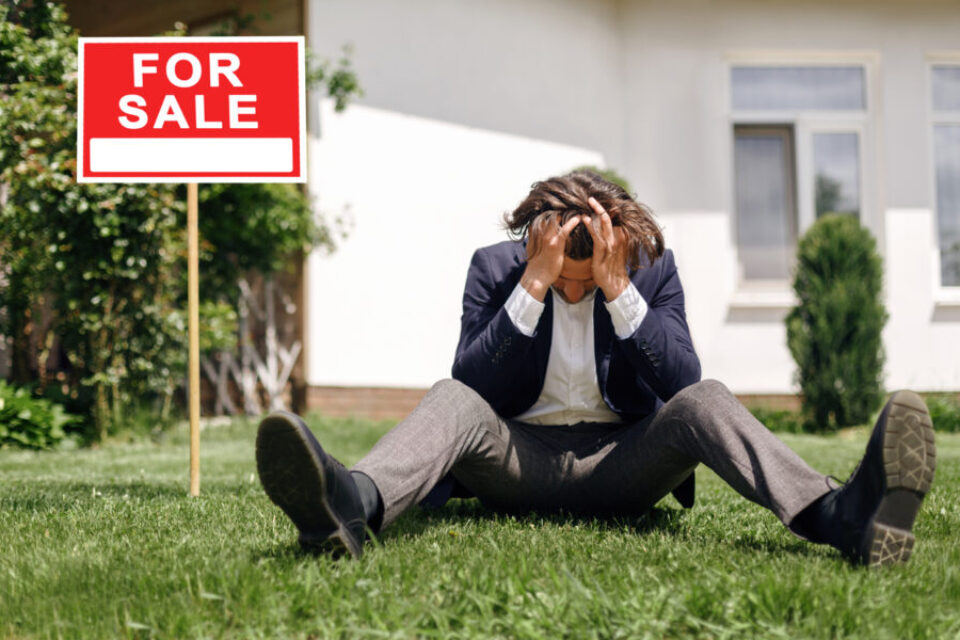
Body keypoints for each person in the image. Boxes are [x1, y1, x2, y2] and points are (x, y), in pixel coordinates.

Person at [255, 171, 936, 566]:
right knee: (451, 397)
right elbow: (474, 385)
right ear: (538, 246)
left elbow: (682, 382)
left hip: (624, 465)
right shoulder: (497, 270)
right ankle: (347, 508)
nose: (573, 294)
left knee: (706, 398)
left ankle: (841, 517)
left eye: (587, 282)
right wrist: (532, 287)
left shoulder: (649, 267)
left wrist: (619, 291)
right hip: (517, 463)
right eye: (566, 282)